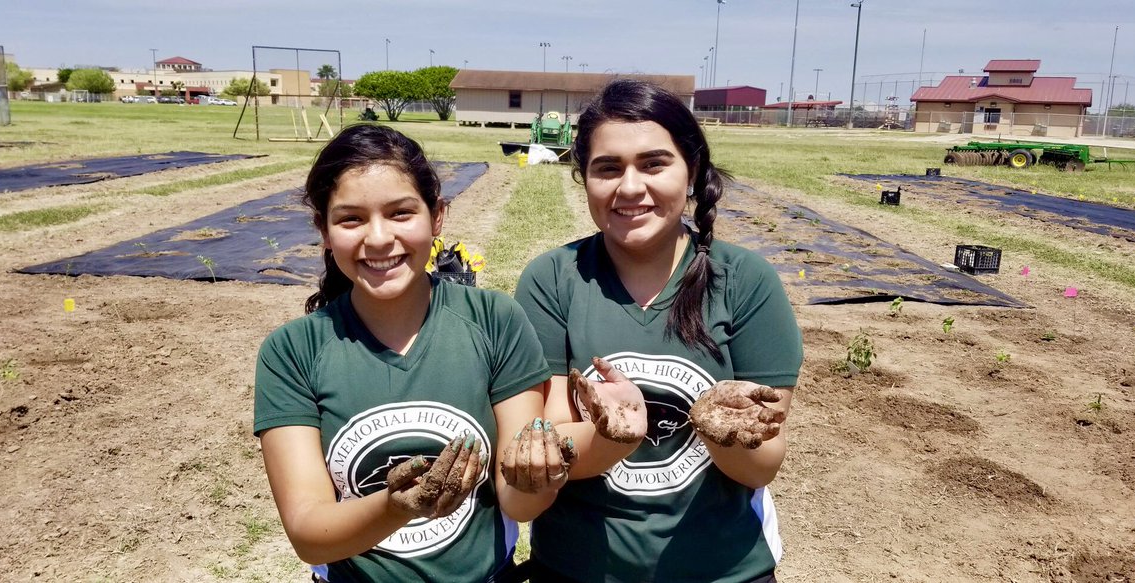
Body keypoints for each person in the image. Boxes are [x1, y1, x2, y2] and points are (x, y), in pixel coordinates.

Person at [514, 79, 804, 583]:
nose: (629, 187)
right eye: (607, 168)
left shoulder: (746, 281)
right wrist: (614, 435)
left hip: (723, 570)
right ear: (583, 179)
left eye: (653, 163)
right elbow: (554, 443)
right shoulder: (552, 280)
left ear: (691, 171)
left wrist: (722, 432)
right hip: (578, 570)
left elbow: (760, 467)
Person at [254, 124, 572, 582]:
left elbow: (518, 503)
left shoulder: (495, 320)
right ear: (323, 230)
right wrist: (396, 506)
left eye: (401, 213)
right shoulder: (292, 352)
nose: (379, 238)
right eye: (350, 219)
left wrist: (538, 475)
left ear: (437, 216)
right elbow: (308, 533)